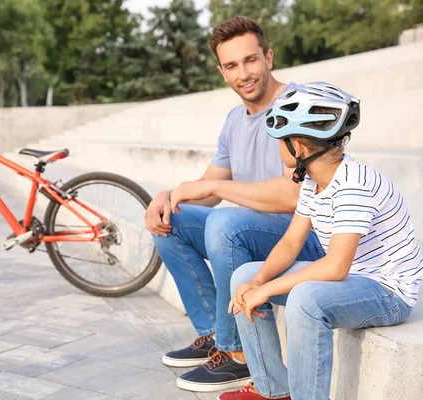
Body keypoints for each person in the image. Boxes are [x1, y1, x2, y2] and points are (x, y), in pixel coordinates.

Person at [144, 17, 325, 392]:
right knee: (171, 220)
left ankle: (237, 352)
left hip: (307, 238)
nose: (243, 73)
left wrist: (215, 188)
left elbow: (296, 195)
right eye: (231, 65)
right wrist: (166, 197)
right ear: (221, 71)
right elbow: (210, 187)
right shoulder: (234, 120)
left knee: (225, 223)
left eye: (250, 60)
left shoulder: (298, 103)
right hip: (258, 233)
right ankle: (215, 335)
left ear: (268, 57)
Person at [220, 82, 423, 400]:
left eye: (280, 139)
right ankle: (273, 390)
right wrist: (257, 281)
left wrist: (268, 289)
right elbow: (290, 242)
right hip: (353, 280)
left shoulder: (353, 184)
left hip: (387, 292)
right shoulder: (313, 180)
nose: (277, 146)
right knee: (243, 276)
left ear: (298, 146)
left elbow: (335, 267)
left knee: (307, 299)